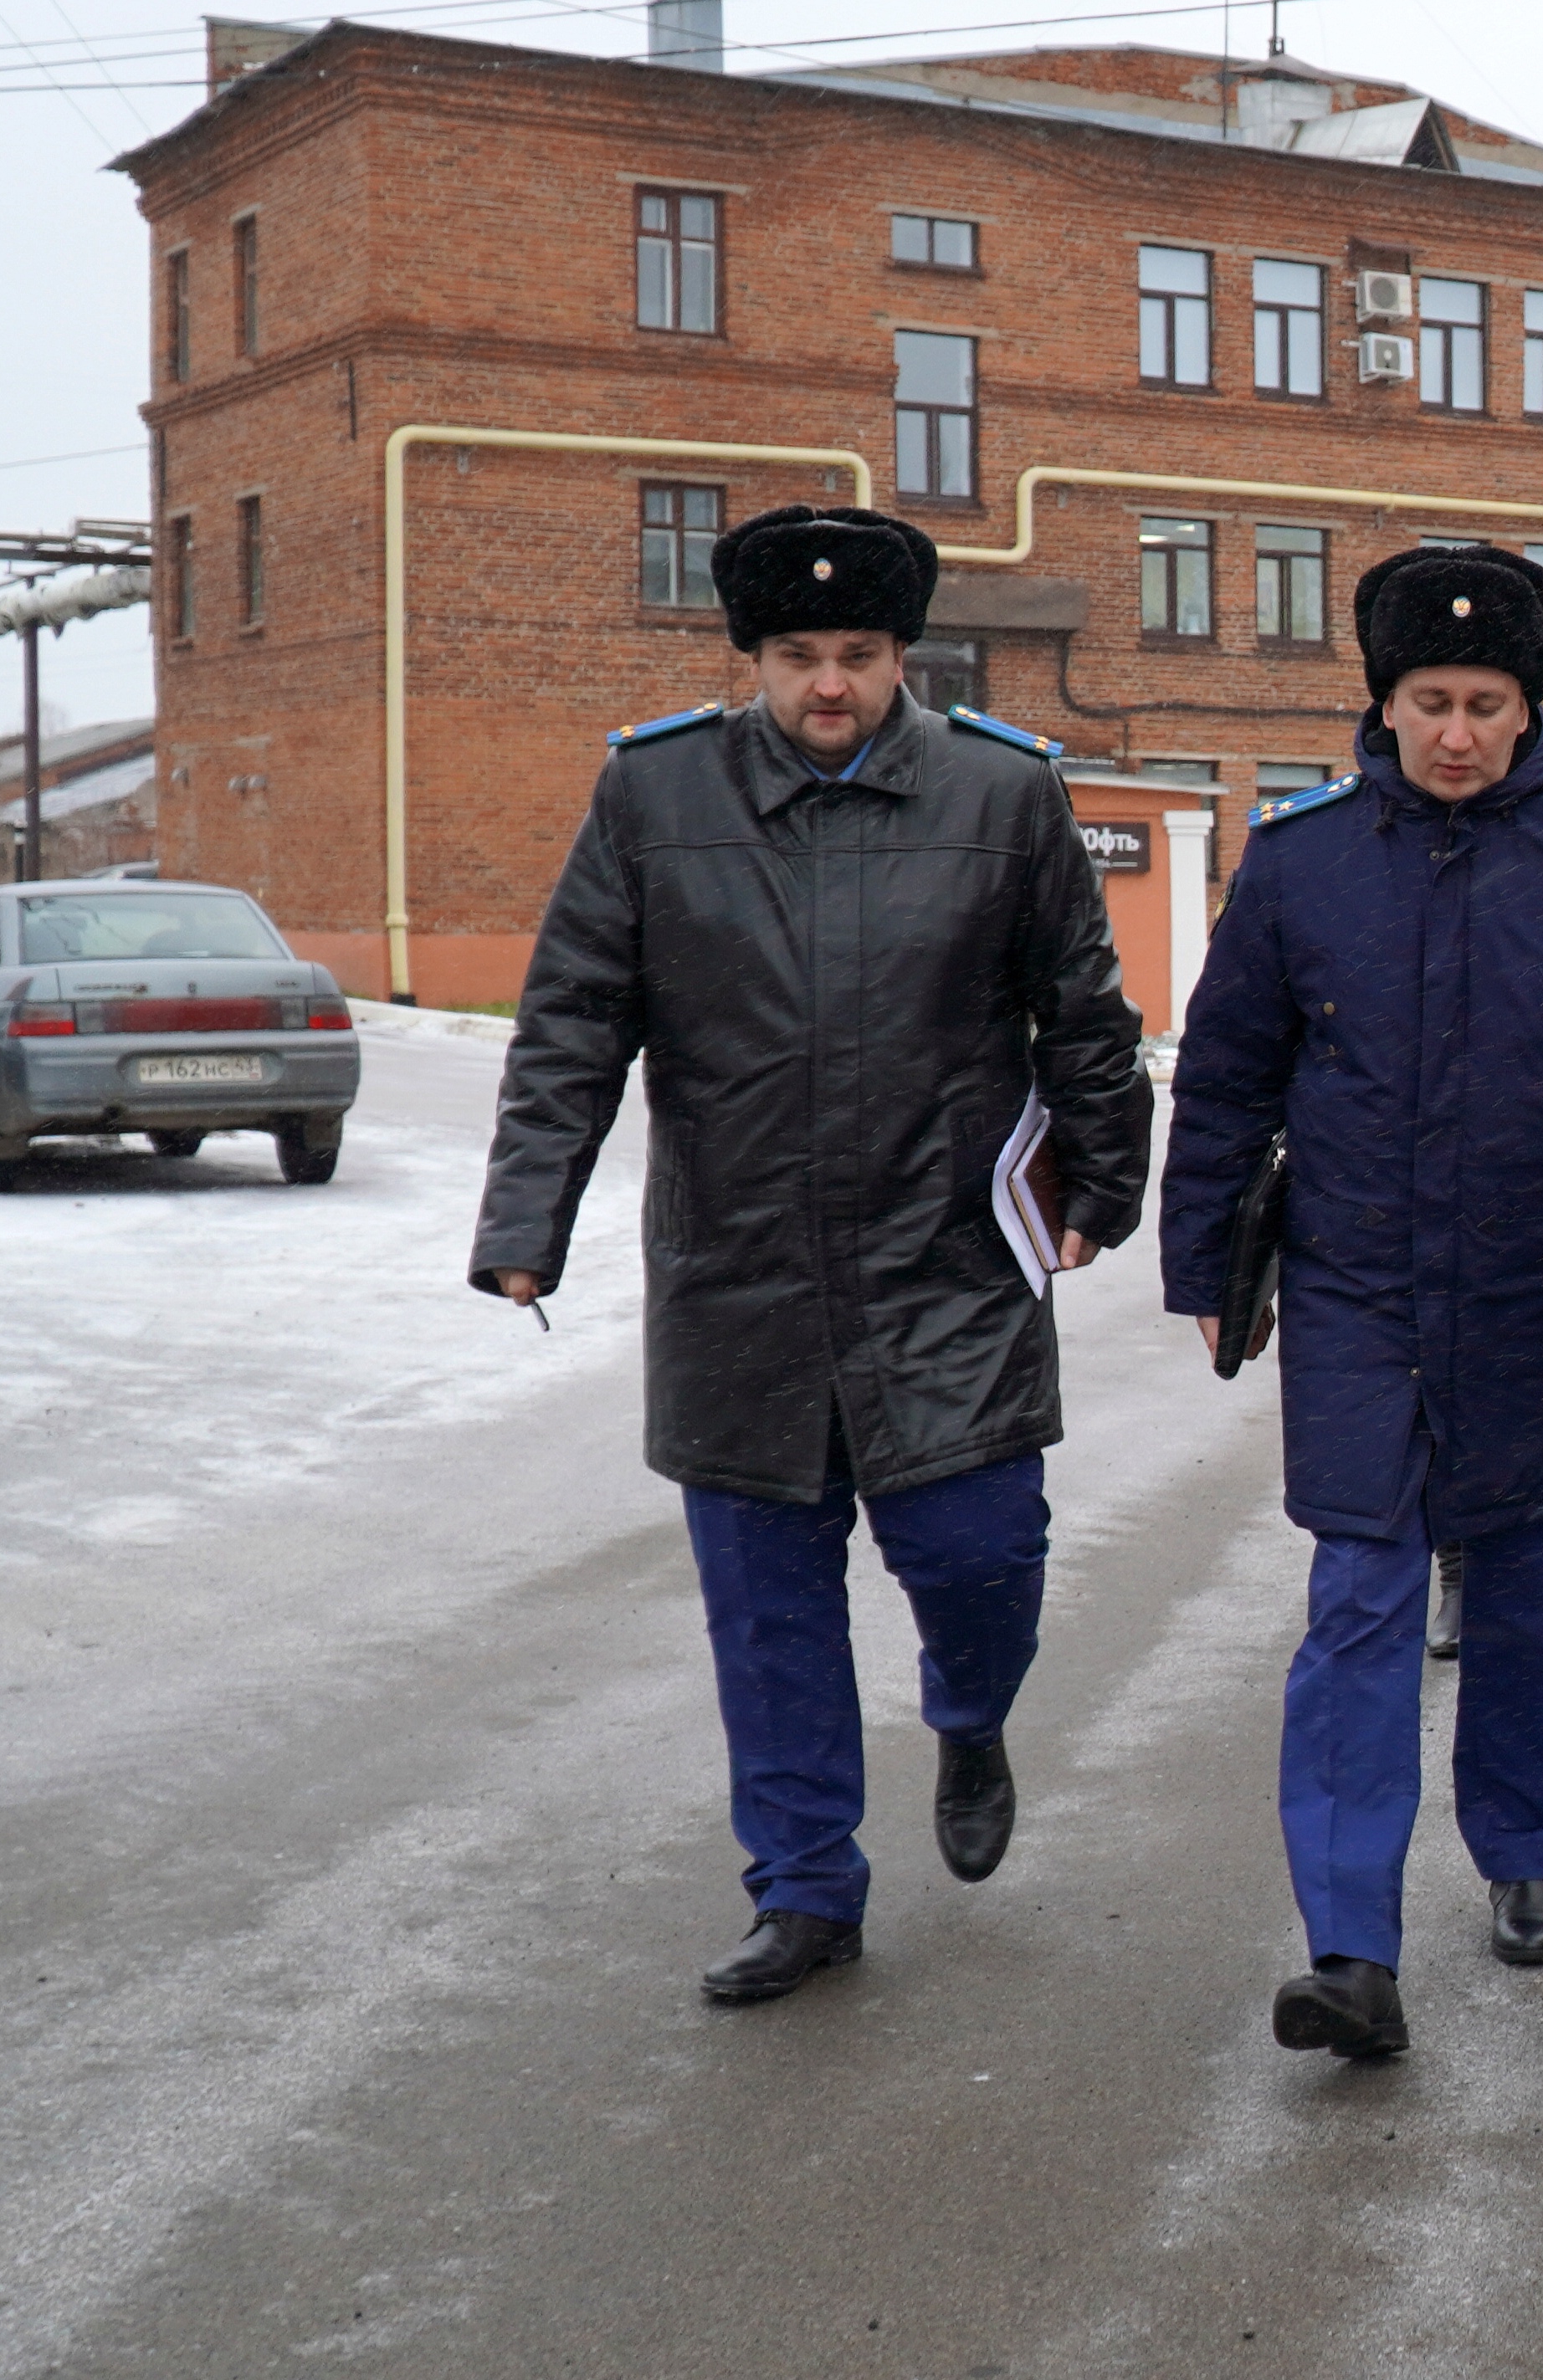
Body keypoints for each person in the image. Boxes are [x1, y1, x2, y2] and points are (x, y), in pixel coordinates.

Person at [471, 504, 1151, 2004]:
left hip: (946, 1269)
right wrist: (529, 1219)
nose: (827, 685)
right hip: (741, 1280)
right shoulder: (652, 798)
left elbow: (1084, 1016)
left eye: (856, 654)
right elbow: (573, 1020)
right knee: (768, 1617)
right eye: (796, 656)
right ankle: (804, 1888)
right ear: (753, 659)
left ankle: (968, 1716)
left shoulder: (1002, 795)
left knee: (983, 1562)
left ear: (902, 655)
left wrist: (1106, 1177)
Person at [1160, 546, 1543, 2064]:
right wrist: (1202, 1270)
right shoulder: (1295, 864)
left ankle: (1519, 1844)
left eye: (1487, 704)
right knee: (1358, 1598)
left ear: (1526, 708)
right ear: (1383, 700)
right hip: (1358, 1288)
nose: (1456, 734)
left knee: (1523, 1600)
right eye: (1430, 700)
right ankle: (1349, 1942)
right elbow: (1224, 1076)